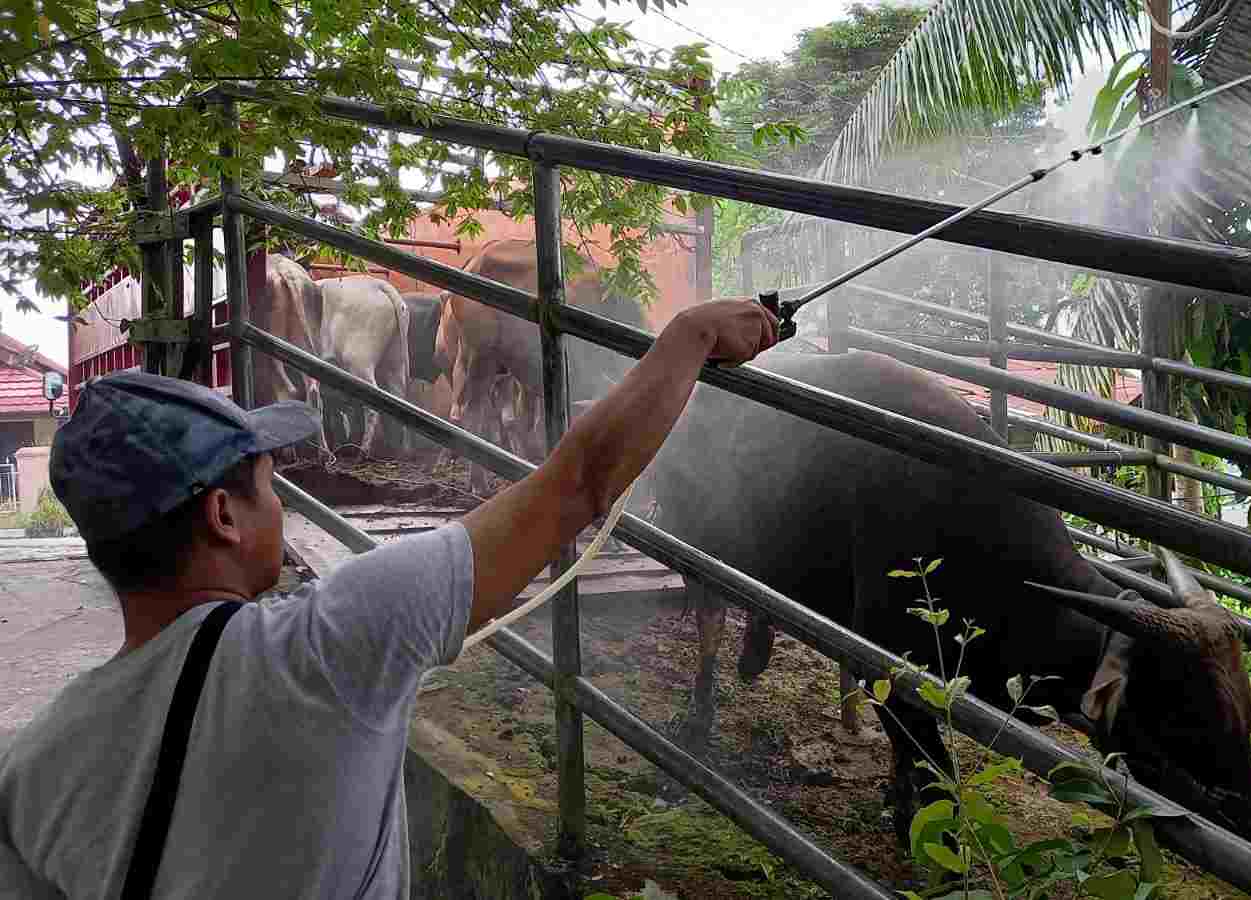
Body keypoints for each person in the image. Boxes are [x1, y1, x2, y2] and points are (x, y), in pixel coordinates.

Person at [0, 298, 779, 898]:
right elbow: (576, 482)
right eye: (272, 483)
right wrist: (691, 338)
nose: (284, 503)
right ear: (222, 515)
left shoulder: (32, 772)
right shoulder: (332, 649)